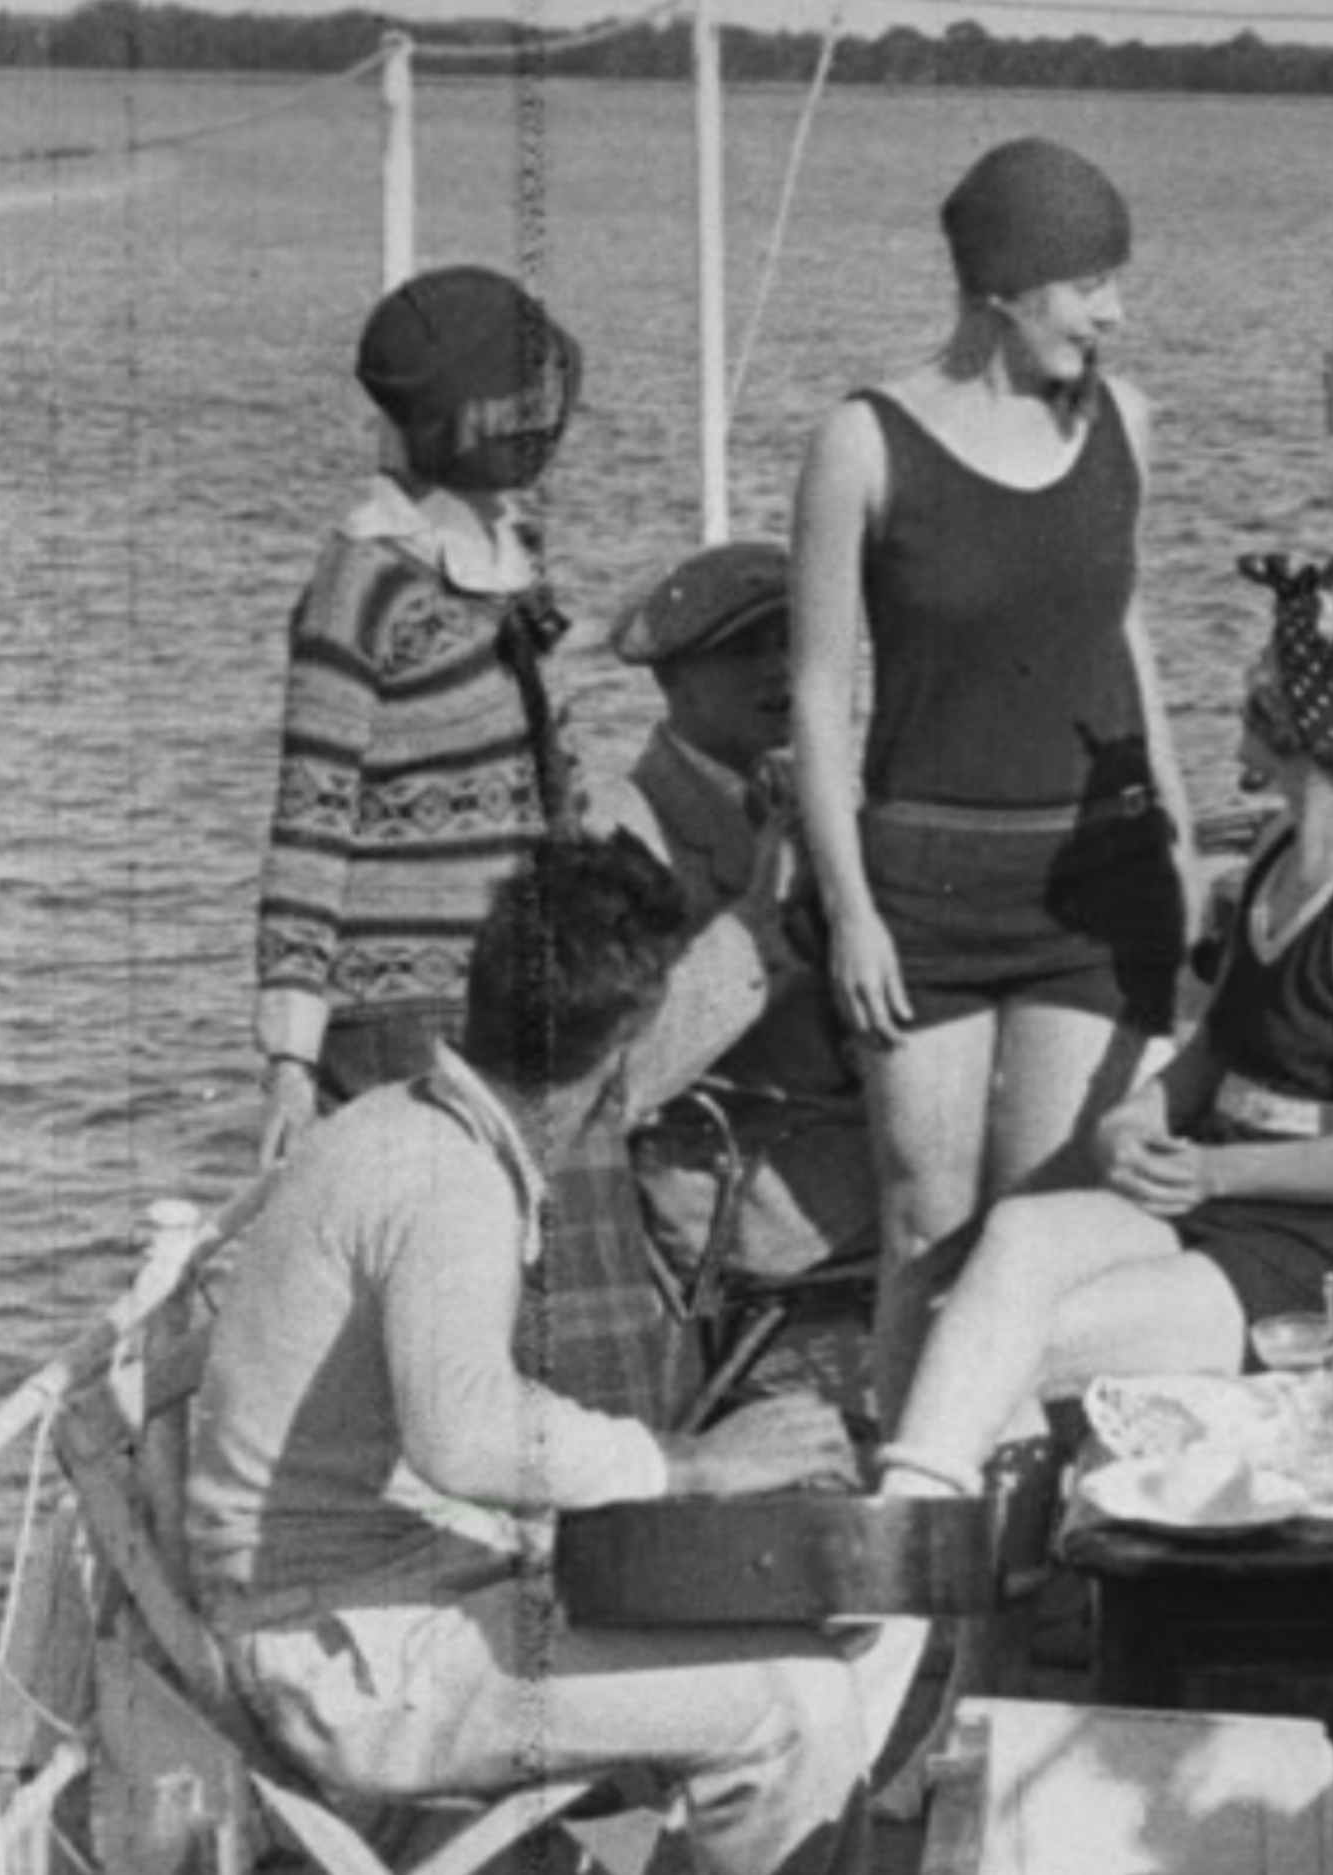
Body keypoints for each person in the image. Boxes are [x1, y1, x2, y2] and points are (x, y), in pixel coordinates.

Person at [189, 835, 921, 1873]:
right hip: (340, 1658)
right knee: (796, 1703)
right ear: (623, 1050)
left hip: (390, 1586)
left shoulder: (403, 1122)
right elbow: (469, 1438)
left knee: (846, 1610)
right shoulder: (447, 1182)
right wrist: (695, 1464)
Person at [872, 547, 1333, 1494]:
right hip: (1233, 1199)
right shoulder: (1279, 852)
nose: (1246, 702)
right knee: (1012, 1241)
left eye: (1263, 693)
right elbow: (1217, 1045)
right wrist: (1141, 1119)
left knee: (1008, 1343)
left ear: (1307, 724)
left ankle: (941, 1599)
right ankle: (941, 1569)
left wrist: (1212, 1167)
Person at [788, 137, 1194, 1420]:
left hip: (1099, 880)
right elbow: (812, 693)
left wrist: (1182, 834)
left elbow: (1123, 637)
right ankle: (916, 1539)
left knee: (1055, 1227)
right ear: (1003, 290)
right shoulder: (862, 441)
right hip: (925, 888)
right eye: (1088, 286)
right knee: (929, 1221)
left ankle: (1045, 1548)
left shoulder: (1125, 423)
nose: (1114, 314)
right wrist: (850, 908)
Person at [255, 264, 585, 1167]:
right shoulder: (362, 582)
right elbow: (310, 817)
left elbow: (552, 792)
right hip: (408, 1019)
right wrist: (290, 1054)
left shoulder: (510, 559)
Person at [594, 541, 878, 1294]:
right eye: (745, 649)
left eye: (794, 639)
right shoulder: (622, 836)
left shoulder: (815, 799)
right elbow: (615, 1077)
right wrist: (760, 929)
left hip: (846, 1154)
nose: (780, 669)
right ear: (671, 676)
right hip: (750, 1194)